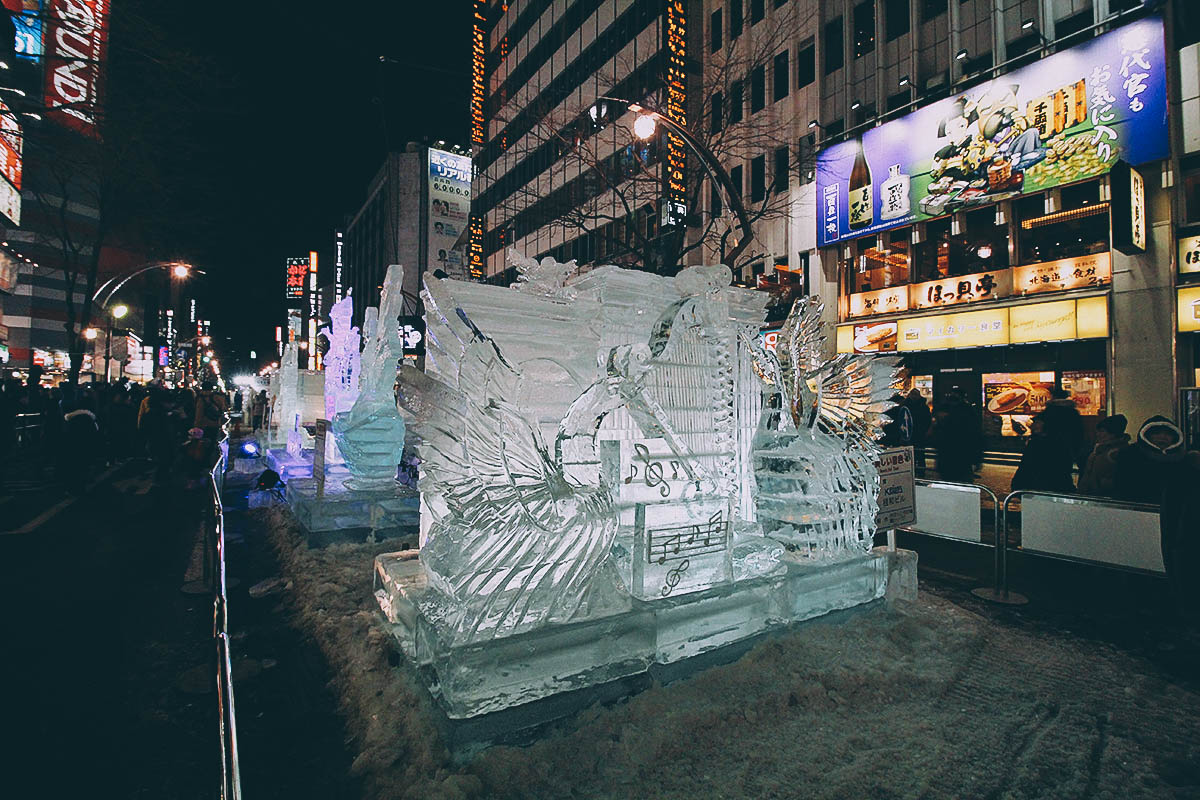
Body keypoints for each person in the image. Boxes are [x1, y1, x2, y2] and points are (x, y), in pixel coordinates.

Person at [1114, 416, 1200, 505]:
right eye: (1156, 433)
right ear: (1146, 435)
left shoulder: (1185, 459)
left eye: (1168, 434)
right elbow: (1123, 488)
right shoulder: (1130, 455)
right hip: (1138, 511)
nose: (1162, 437)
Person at [1011, 415, 1076, 494]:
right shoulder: (1034, 442)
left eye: (1037, 422)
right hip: (1034, 486)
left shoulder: (1058, 443)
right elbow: (1025, 465)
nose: (1034, 425)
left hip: (1050, 487)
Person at [932, 390, 981, 483]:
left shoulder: (945, 411)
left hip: (950, 456)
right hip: (961, 455)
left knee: (950, 483)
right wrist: (977, 458)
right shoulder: (968, 411)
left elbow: (938, 435)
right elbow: (976, 434)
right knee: (962, 484)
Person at [1077, 414, 1129, 497]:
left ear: (1113, 433)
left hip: (1103, 497)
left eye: (1102, 431)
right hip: (1091, 495)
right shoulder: (1100, 449)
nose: (1098, 434)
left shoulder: (1118, 452)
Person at [1038, 387, 1086, 468]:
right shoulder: (1073, 412)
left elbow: (1040, 428)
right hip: (1068, 447)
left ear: (1053, 396)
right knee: (1065, 470)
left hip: (1049, 445)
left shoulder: (1049, 411)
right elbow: (1078, 431)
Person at [904, 389, 932, 477]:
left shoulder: (920, 407)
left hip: (917, 434)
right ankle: (915, 471)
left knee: (918, 454)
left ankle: (919, 471)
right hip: (911, 434)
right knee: (912, 454)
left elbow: (927, 420)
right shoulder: (908, 406)